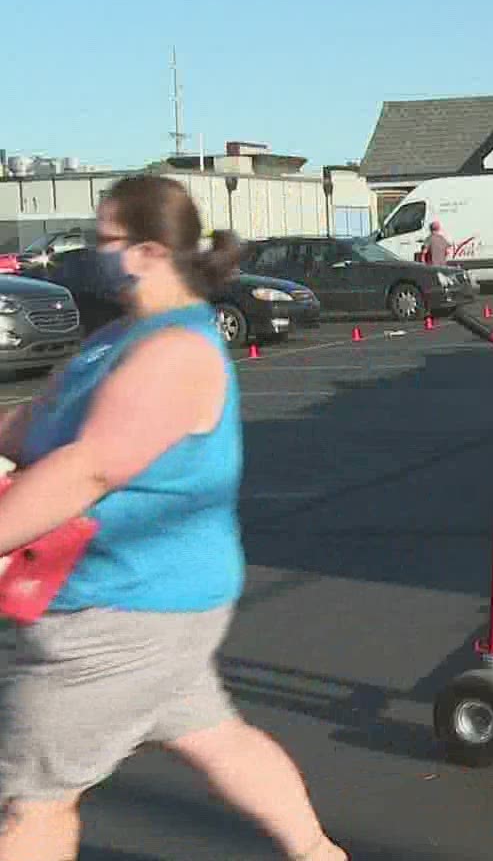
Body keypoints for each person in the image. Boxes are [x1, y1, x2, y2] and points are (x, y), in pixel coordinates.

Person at [0, 176, 345, 860]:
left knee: (31, 801)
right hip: (159, 611)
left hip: (119, 614)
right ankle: (318, 854)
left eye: (105, 241)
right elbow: (42, 425)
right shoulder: (122, 338)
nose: (91, 253)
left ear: (151, 251)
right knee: (213, 733)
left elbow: (88, 469)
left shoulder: (174, 353)